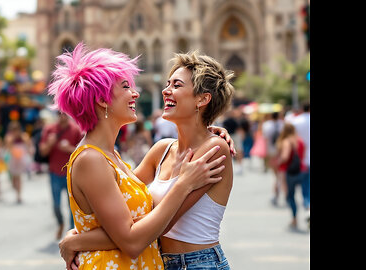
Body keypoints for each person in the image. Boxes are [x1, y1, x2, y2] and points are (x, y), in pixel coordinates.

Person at [47, 43, 229, 270]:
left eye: (177, 84)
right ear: (102, 100)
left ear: (202, 99)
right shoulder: (157, 151)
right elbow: (134, 227)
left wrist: (79, 239)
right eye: (126, 86)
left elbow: (144, 219)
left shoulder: (213, 149)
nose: (136, 92)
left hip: (196, 263)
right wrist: (80, 234)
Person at [39, 110, 84, 240]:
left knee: (72, 207)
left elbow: (83, 151)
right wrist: (50, 143)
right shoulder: (50, 129)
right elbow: (42, 152)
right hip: (55, 172)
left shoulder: (76, 129)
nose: (62, 116)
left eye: (64, 113)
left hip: (71, 174)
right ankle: (60, 223)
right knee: (56, 205)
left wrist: (69, 148)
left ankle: (71, 232)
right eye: (59, 114)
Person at [275, 122, 306, 230]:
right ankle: (307, 210)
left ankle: (294, 218)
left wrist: (278, 162)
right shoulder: (300, 140)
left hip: (289, 171)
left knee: (290, 196)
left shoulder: (287, 141)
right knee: (305, 194)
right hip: (302, 169)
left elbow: (285, 156)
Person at [286, 102, 310, 220]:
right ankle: (307, 206)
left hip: (300, 160)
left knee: (293, 192)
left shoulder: (296, 121)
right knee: (306, 188)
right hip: (305, 160)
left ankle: (297, 214)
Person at [4, 120, 34, 204]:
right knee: (14, 177)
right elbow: (7, 146)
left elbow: (28, 145)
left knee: (19, 177)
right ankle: (15, 189)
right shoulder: (9, 137)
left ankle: (18, 195)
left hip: (21, 158)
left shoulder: (24, 136)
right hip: (13, 159)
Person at [262, 111, 284, 206]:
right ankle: (277, 193)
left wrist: (266, 152)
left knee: (276, 174)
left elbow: (265, 139)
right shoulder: (282, 124)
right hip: (281, 150)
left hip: (271, 151)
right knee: (279, 174)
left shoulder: (267, 125)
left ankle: (276, 193)